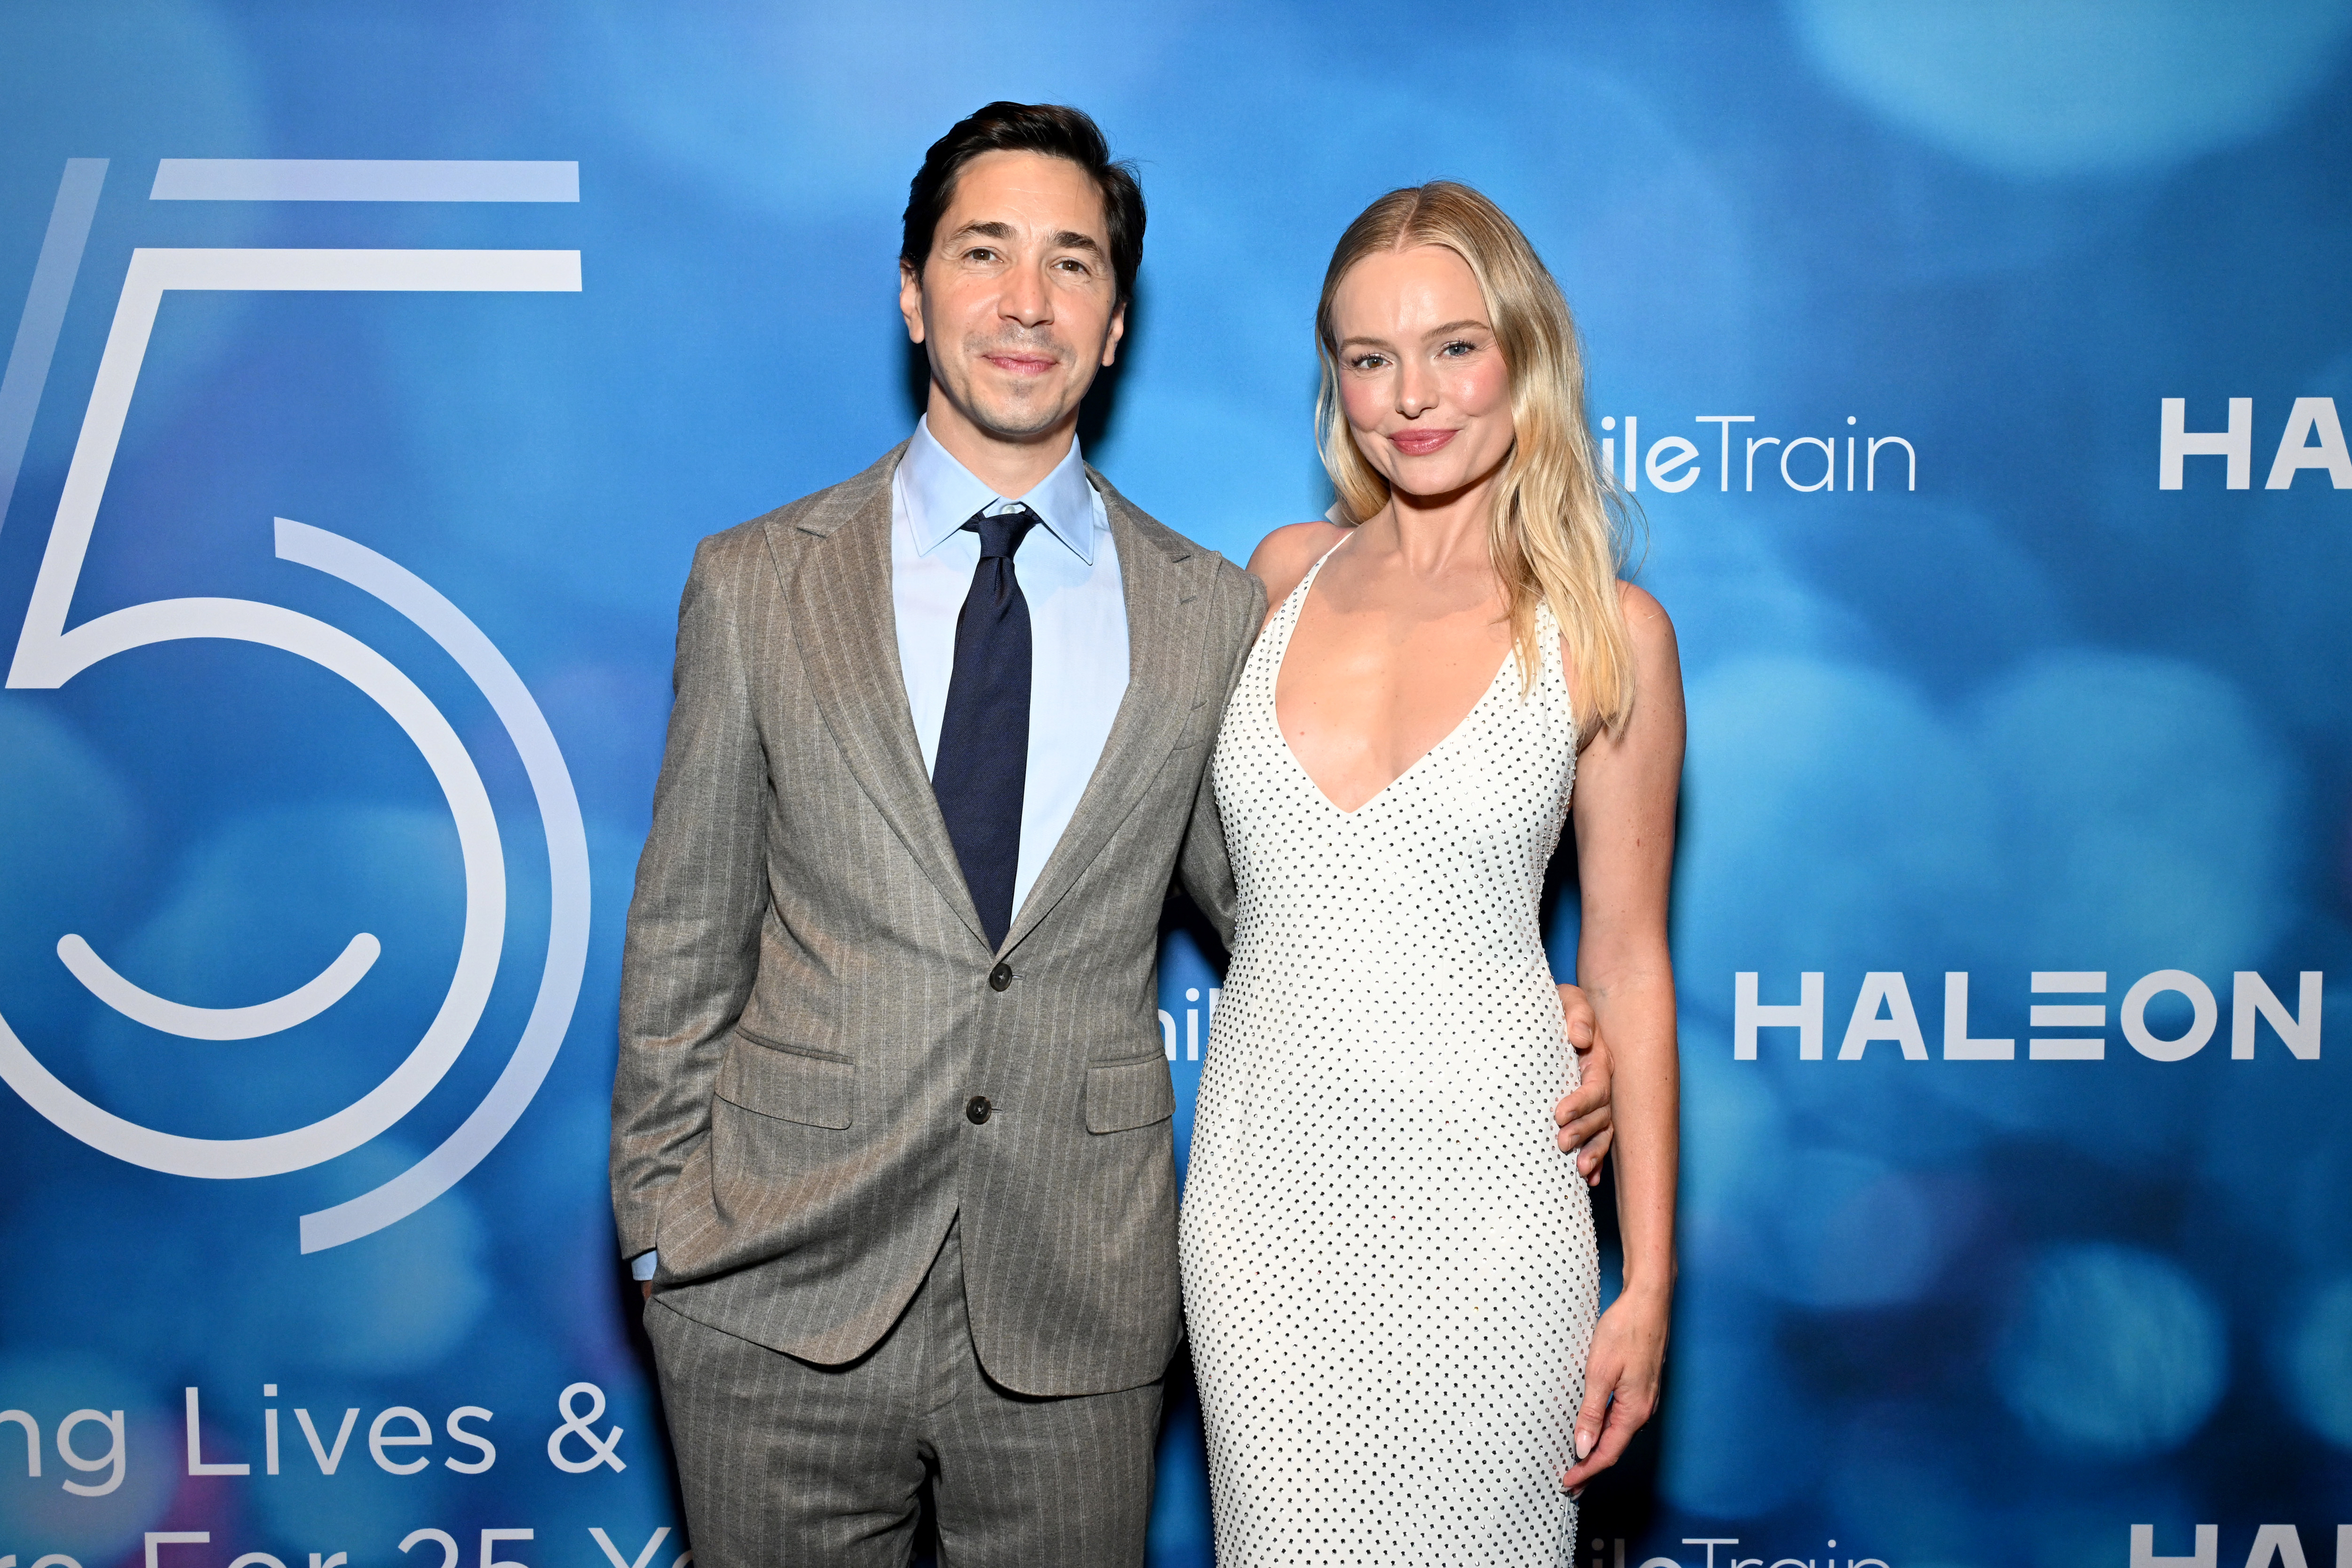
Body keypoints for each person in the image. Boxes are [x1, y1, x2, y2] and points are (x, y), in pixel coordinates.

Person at [611, 102, 1618, 1567]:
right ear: (911, 290)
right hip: (770, 1305)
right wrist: (666, 1240)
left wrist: (1507, 997)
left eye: (1071, 264)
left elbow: (1293, 881)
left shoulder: (1211, 605)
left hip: (1076, 1315)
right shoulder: (759, 581)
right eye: (982, 253)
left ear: (1117, 317)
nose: (1026, 302)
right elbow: (683, 939)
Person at [1179, 181, 1682, 1563]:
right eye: (1368, 356)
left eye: (1454, 346)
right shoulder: (1277, 576)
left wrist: (1644, 1283)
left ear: (1524, 353)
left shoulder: (1608, 631)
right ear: (1332, 381)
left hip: (1492, 1209)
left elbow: (1630, 956)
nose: (1412, 395)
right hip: (1263, 1204)